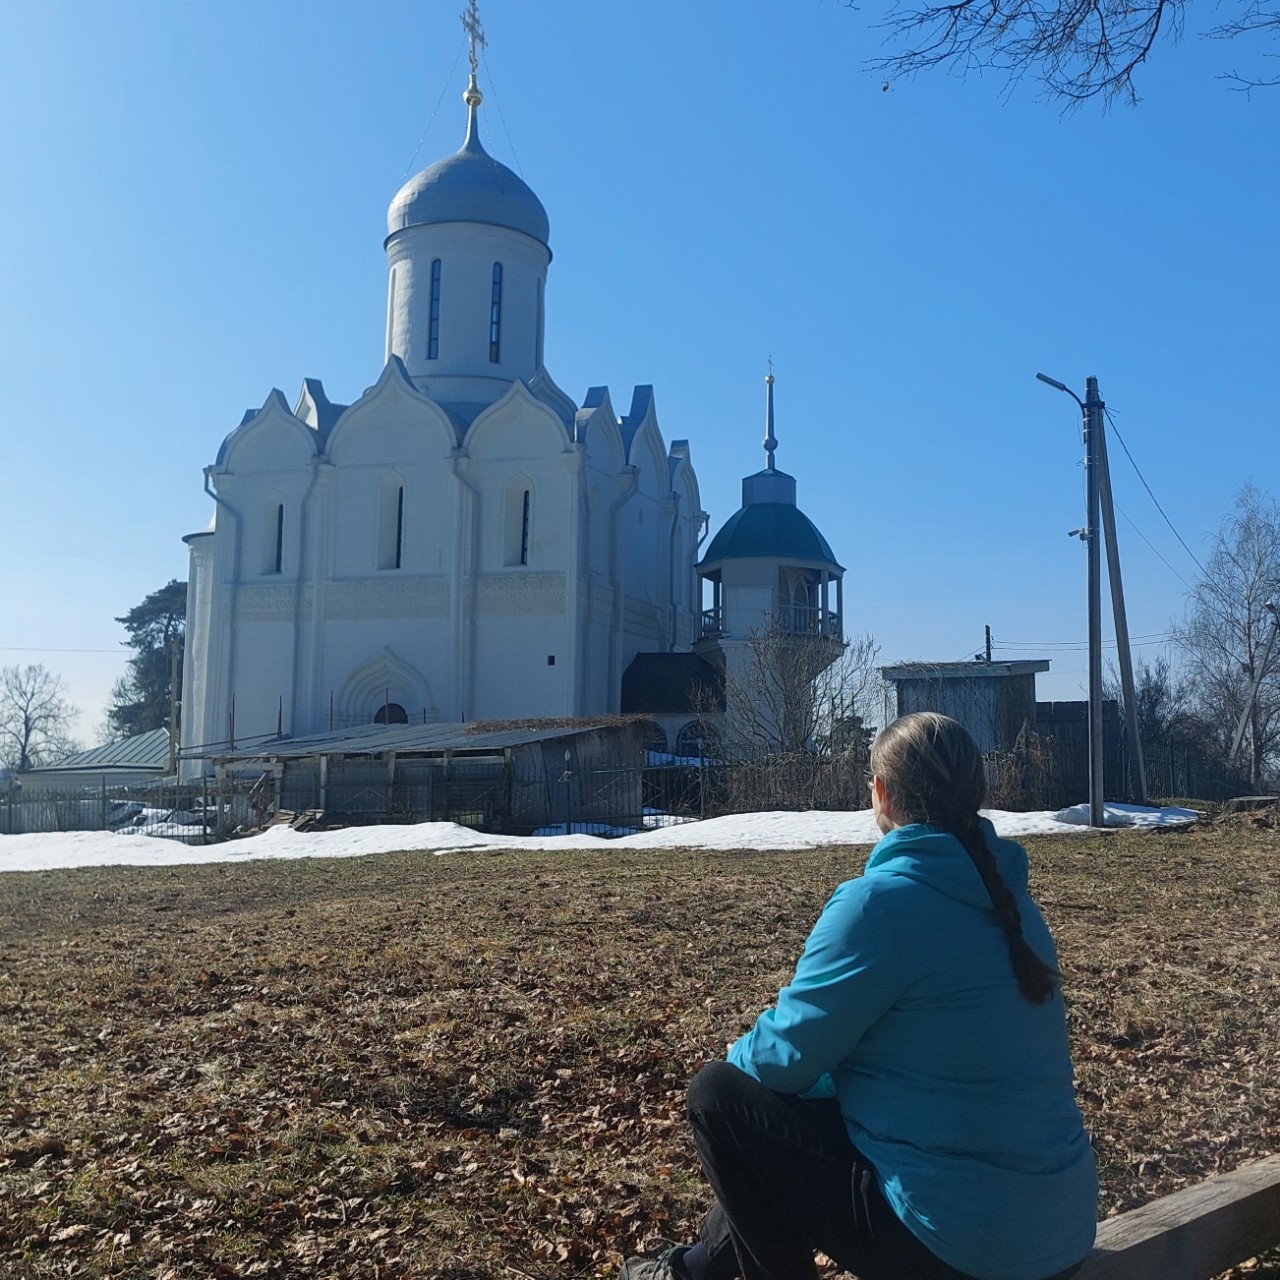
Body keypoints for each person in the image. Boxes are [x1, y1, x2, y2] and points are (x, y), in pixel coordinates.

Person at [620, 712, 1097, 1280]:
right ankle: (692, 1272)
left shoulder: (878, 906)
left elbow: (782, 1060)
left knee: (719, 1097)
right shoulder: (1014, 905)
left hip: (964, 1251)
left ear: (881, 792)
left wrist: (743, 1068)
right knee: (805, 1119)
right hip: (1059, 1231)